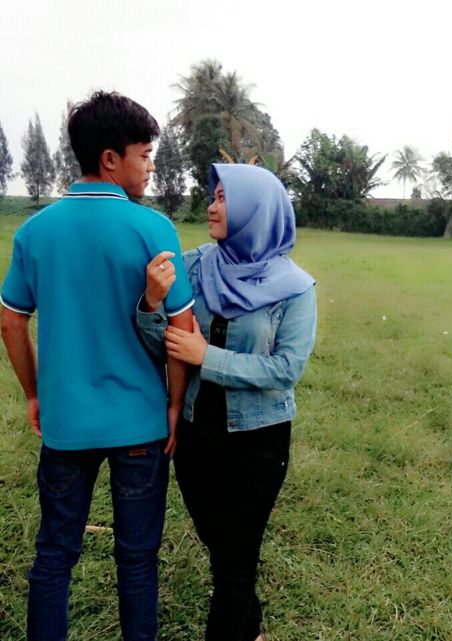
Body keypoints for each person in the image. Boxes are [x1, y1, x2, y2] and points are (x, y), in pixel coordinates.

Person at [0, 91, 194, 641]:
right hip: (139, 426)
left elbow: (11, 322)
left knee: (54, 556)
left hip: (65, 425)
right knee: (137, 561)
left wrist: (35, 394)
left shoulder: (34, 232)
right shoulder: (153, 229)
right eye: (144, 155)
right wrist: (175, 404)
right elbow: (181, 329)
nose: (150, 166)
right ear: (111, 159)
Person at [137, 163, 317, 641]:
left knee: (236, 562)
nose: (212, 207)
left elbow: (286, 369)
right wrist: (151, 306)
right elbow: (166, 344)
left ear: (257, 211)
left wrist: (207, 356)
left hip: (259, 439)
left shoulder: (296, 289)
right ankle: (250, 628)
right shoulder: (193, 266)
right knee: (223, 548)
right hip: (196, 431)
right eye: (213, 196)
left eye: (223, 198)